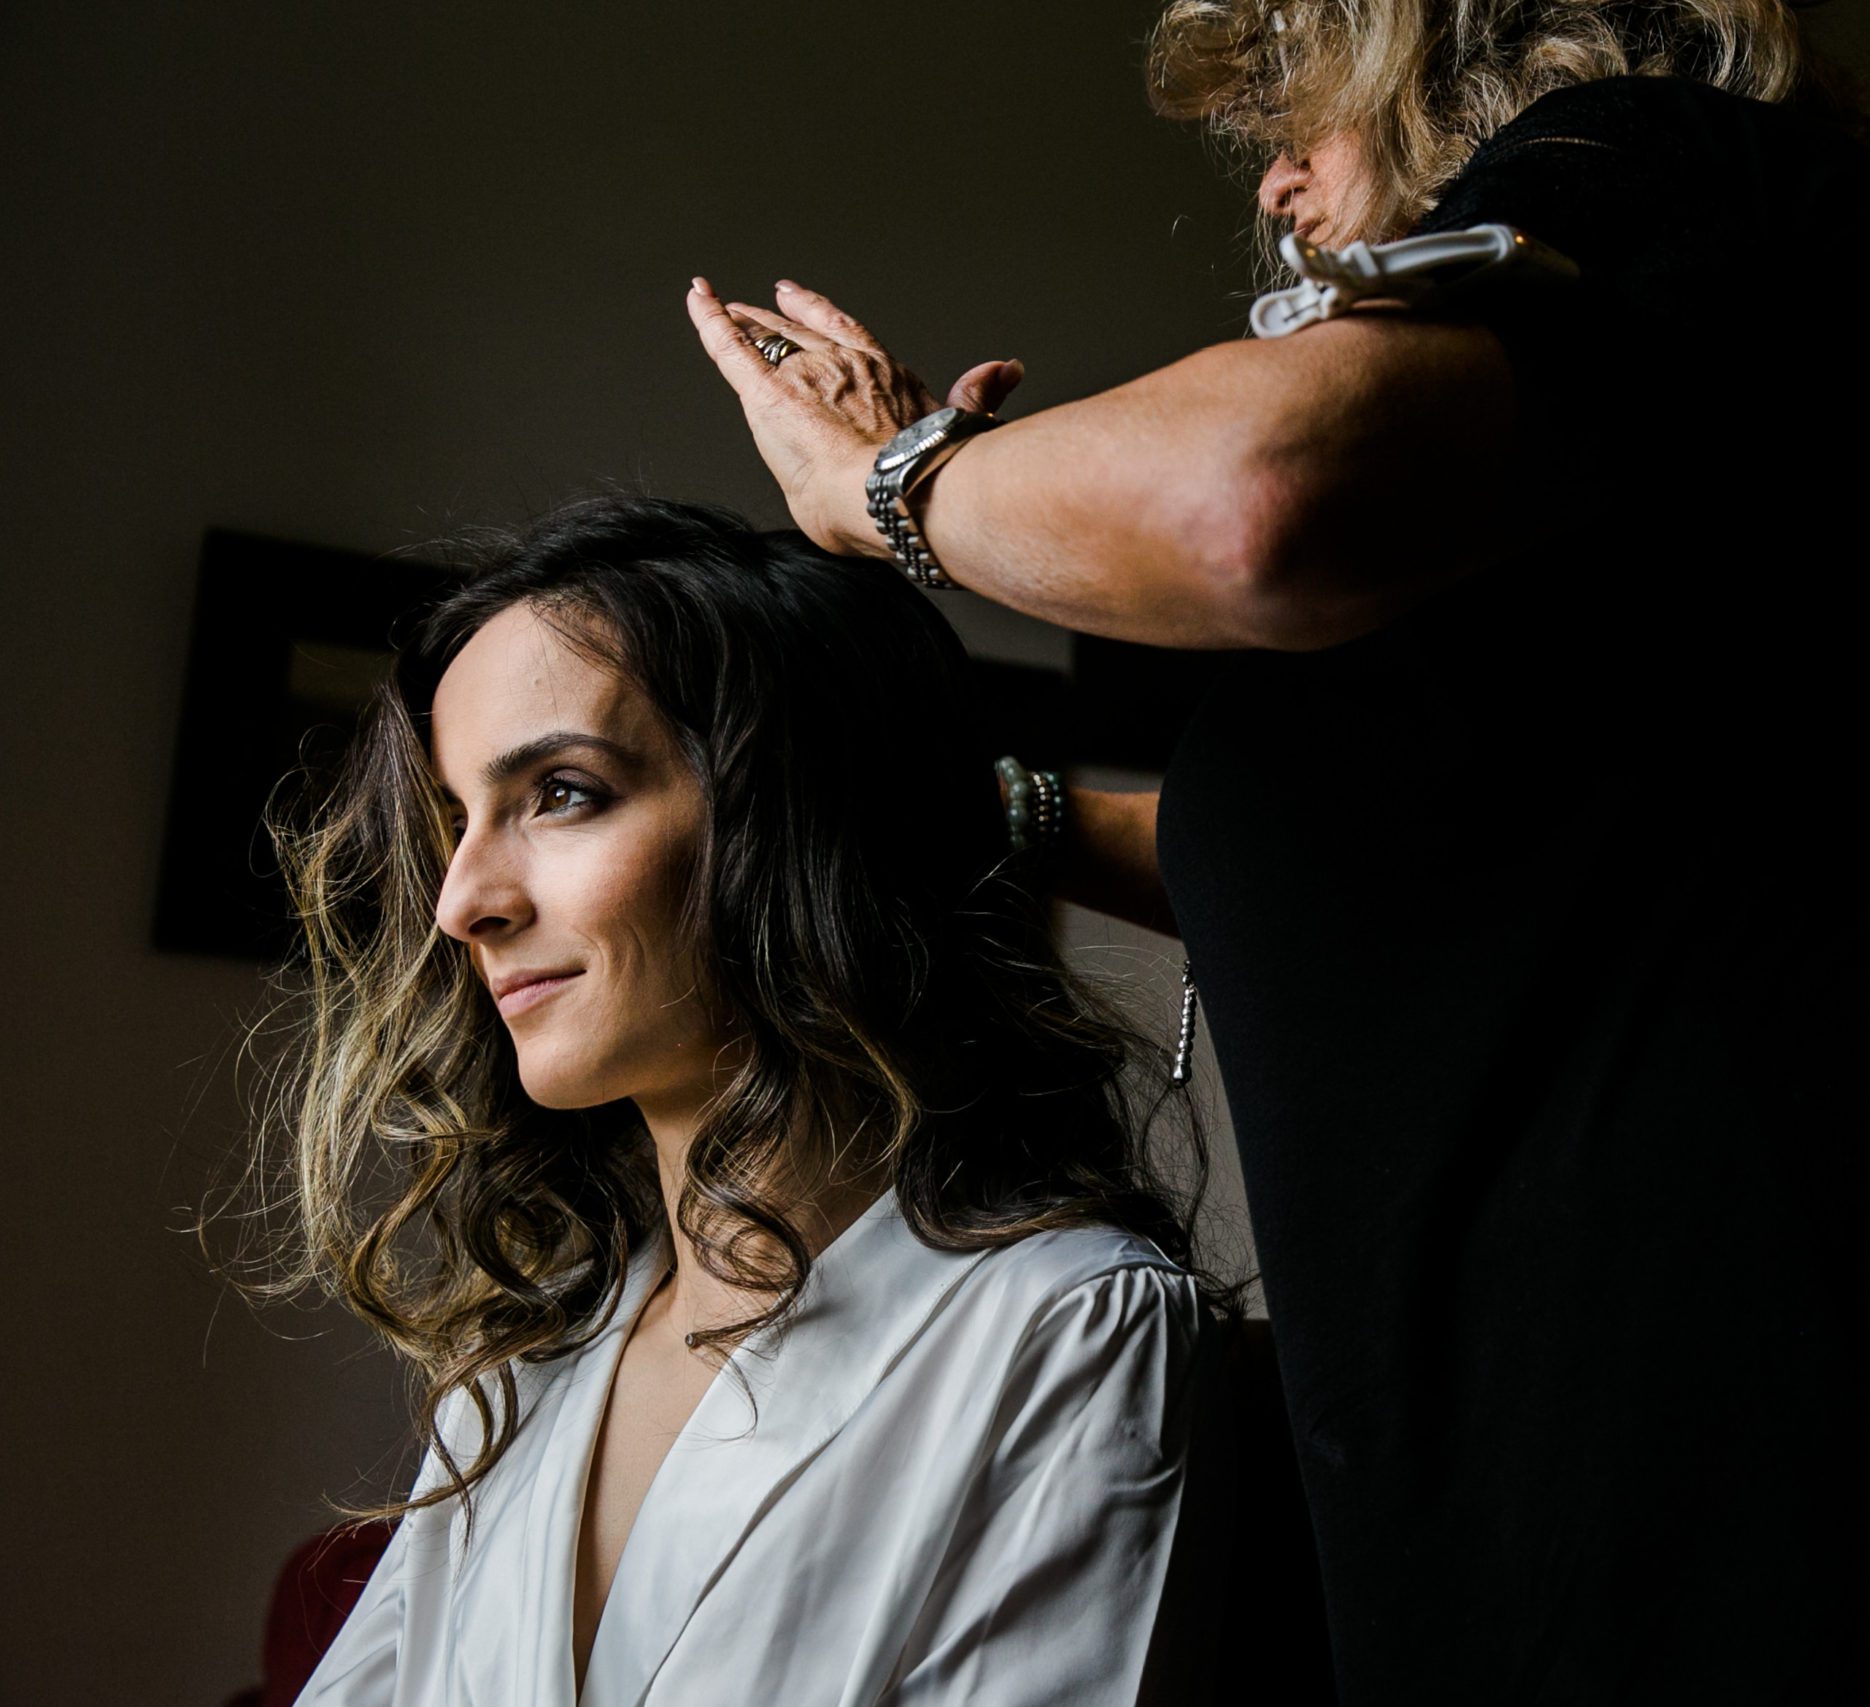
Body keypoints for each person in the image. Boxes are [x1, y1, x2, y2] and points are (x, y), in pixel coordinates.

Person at [684, 2, 1870, 1697]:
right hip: (1608, 1542)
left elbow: (1249, 500)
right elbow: (1320, 849)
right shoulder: (1535, 558)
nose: (1275, 187)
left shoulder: (1670, 172)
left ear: (1443, 43)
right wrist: (996, 808)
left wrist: (890, 486)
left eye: (1295, 111)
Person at [248, 498, 1224, 1705]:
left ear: (797, 817)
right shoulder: (520, 1370)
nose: (463, 901)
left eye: (560, 792)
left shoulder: (1067, 1330)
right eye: (457, 823)